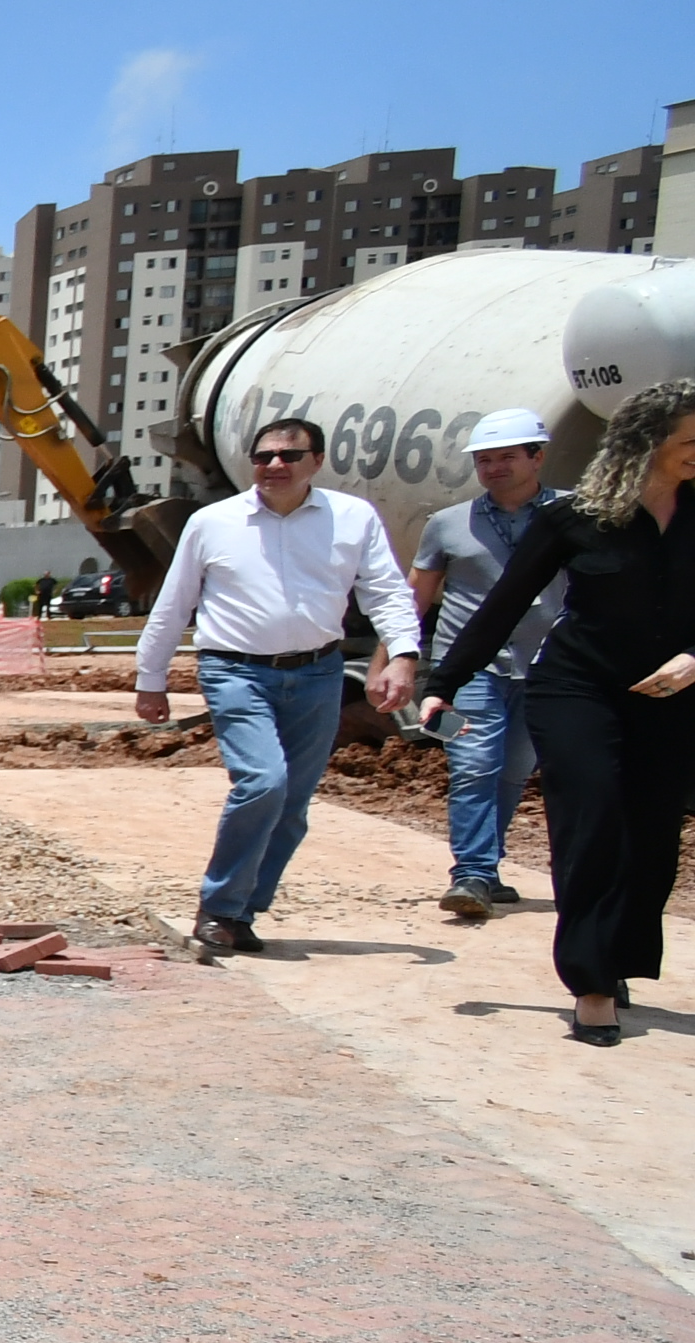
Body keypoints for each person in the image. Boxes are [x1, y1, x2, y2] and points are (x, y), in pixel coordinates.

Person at [420, 378, 695, 1046]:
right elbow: (505, 604)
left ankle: (617, 951)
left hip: (673, 695)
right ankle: (593, 981)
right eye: (689, 439)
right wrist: (444, 681)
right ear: (649, 441)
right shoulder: (578, 518)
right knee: (591, 819)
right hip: (577, 689)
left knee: (653, 841)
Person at [131, 414, 423, 963]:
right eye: (263, 457)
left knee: (291, 803)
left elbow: (386, 592)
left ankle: (242, 912)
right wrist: (152, 679)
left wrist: (402, 656)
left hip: (318, 675)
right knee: (263, 782)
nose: (274, 466)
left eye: (289, 456)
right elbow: (173, 604)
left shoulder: (353, 518)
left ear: (317, 461)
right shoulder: (212, 522)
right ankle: (218, 908)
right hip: (235, 671)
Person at [412, 412, 566, 922]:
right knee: (474, 764)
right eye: (484, 460)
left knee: (514, 770)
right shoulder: (448, 524)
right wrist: (393, 660)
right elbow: (417, 597)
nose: (494, 467)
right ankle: (472, 873)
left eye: (506, 457)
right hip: (468, 671)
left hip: (548, 667)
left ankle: (488, 869)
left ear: (536, 457)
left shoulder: (574, 515)